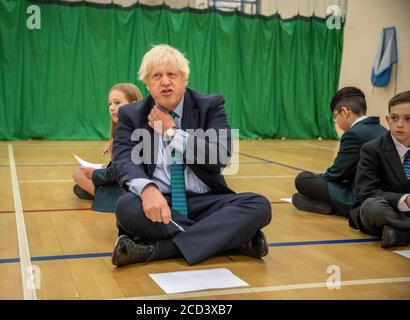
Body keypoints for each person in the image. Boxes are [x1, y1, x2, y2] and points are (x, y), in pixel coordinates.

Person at [110, 44, 272, 266]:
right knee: (126, 207)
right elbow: (122, 160)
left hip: (206, 201)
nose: (165, 81)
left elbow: (220, 157)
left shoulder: (210, 106)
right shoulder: (131, 114)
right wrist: (147, 189)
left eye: (172, 74)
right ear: (147, 84)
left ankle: (157, 250)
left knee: (259, 205)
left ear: (184, 80)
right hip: (160, 201)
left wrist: (171, 132)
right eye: (157, 76)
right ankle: (230, 239)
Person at [292, 87, 387, 216]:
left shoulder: (353, 134)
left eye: (335, 116)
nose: (335, 121)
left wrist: (316, 176)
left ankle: (330, 205)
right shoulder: (383, 130)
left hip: (360, 197)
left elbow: (336, 174)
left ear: (344, 112)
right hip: (383, 194)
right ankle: (320, 203)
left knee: (303, 179)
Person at [350, 91, 410, 248]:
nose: (399, 124)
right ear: (387, 120)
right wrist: (403, 200)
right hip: (387, 209)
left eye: (408, 119)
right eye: (394, 118)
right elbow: (366, 192)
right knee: (372, 207)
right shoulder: (372, 149)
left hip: (400, 218)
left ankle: (401, 233)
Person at [72, 83, 142, 212]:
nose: (112, 108)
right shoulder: (125, 130)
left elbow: (120, 171)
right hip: (123, 180)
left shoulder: (134, 132)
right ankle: (98, 193)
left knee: (79, 174)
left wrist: (94, 173)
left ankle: (103, 196)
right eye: (110, 104)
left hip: (131, 187)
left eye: (117, 103)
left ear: (134, 103)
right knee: (79, 186)